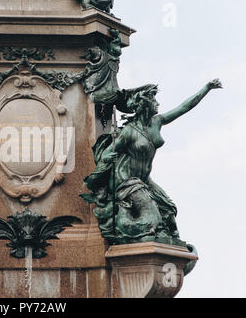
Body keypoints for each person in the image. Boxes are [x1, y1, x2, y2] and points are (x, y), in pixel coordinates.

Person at [82, 79, 223, 244]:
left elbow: (185, 107)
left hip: (144, 180)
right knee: (151, 219)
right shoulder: (128, 131)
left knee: (169, 210)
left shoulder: (157, 122)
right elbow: (106, 154)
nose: (157, 103)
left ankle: (173, 247)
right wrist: (106, 160)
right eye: (153, 99)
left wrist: (206, 88)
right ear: (143, 104)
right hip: (126, 180)